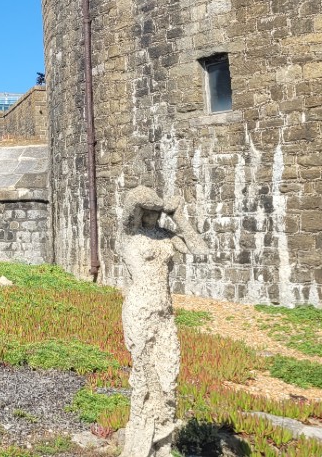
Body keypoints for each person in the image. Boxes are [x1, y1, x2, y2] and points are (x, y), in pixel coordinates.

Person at [119, 186, 208, 457]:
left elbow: (200, 249)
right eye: (150, 212)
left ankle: (163, 444)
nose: (153, 216)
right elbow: (134, 198)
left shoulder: (166, 237)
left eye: (156, 213)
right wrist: (161, 202)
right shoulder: (129, 234)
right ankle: (141, 446)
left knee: (169, 378)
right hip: (140, 311)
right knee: (146, 381)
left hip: (165, 314)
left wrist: (178, 215)